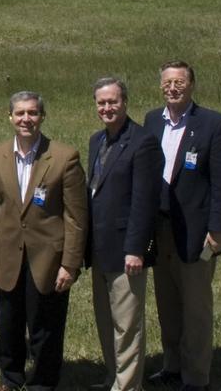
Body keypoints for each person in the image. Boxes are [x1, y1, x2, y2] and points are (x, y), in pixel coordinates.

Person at [0, 91, 86, 391]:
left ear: (42, 117)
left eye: (33, 113)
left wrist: (70, 264)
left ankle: (42, 382)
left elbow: (76, 217)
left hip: (48, 257)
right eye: (20, 113)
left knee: (45, 326)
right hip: (6, 254)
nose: (27, 119)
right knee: (8, 322)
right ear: (10, 117)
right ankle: (10, 378)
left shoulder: (64, 157)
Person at [143, 61, 221, 391]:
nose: (173, 87)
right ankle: (172, 365)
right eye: (167, 82)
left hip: (198, 232)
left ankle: (196, 377)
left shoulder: (214, 125)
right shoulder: (152, 120)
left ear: (192, 85)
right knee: (167, 302)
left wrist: (218, 230)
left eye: (179, 82)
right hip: (161, 229)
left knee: (195, 307)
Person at [86, 77, 160, 391]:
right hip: (99, 246)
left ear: (125, 102)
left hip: (126, 249)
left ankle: (128, 385)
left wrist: (136, 249)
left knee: (127, 323)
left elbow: (145, 201)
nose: (107, 108)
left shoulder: (143, 141)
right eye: (102, 103)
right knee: (106, 320)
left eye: (113, 102)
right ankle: (113, 376)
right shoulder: (95, 141)